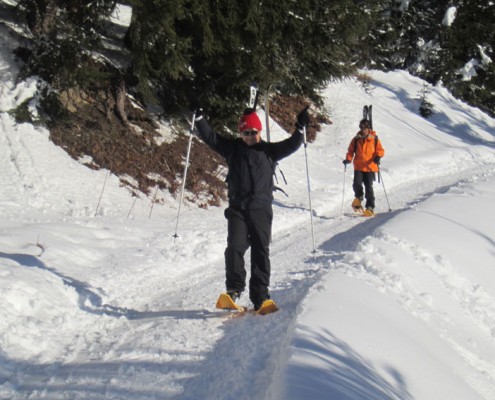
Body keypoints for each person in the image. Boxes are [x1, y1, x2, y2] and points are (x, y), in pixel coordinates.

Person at [193, 104, 309, 310]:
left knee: (260, 251)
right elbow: (212, 138)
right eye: (245, 133)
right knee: (235, 248)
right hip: (238, 208)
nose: (249, 137)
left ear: (259, 132)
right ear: (241, 133)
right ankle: (233, 290)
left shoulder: (269, 151)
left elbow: (292, 145)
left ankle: (261, 297)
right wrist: (200, 117)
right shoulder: (233, 149)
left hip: (261, 210)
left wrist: (300, 128)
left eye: (253, 132)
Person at [343, 119, 385, 216]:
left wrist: (378, 156)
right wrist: (348, 159)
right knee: (356, 184)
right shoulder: (356, 139)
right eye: (361, 127)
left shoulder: (374, 138)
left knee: (368, 187)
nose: (363, 130)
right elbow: (350, 151)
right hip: (358, 166)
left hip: (370, 167)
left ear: (368, 128)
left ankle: (370, 207)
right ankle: (359, 198)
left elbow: (381, 150)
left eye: (365, 128)